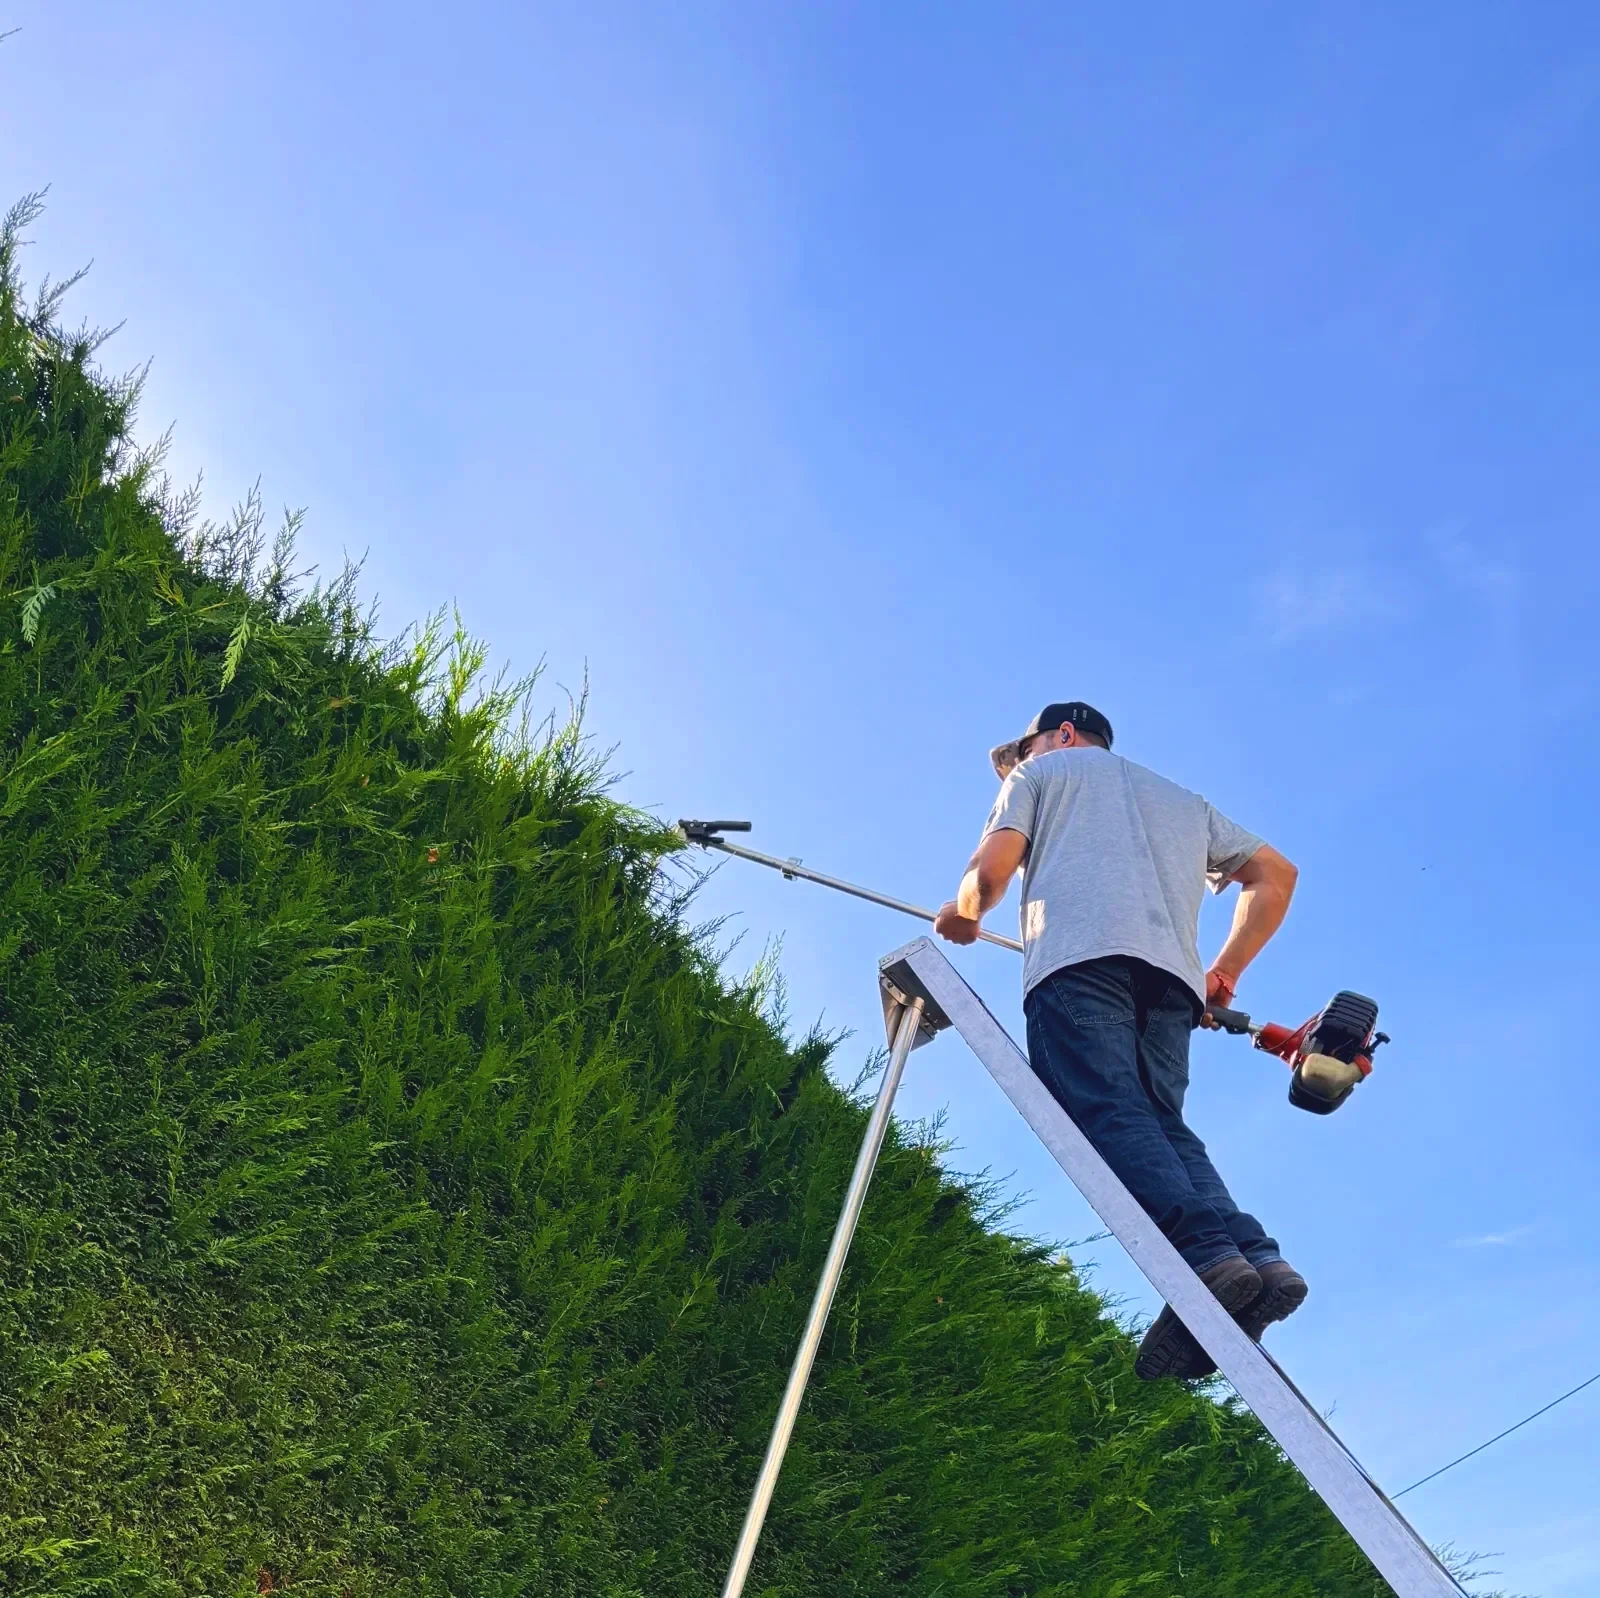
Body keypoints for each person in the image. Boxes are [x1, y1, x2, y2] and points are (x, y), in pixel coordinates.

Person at [933, 702, 1302, 1380]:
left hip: (1078, 966)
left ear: (1063, 735)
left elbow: (991, 871)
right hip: (1171, 981)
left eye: (1023, 750)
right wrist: (1224, 972)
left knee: (1108, 1113)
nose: (1014, 765)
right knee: (1163, 1124)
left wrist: (964, 914)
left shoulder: (1041, 776)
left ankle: (1206, 1258)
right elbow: (1277, 875)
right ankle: (1254, 1259)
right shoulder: (1184, 802)